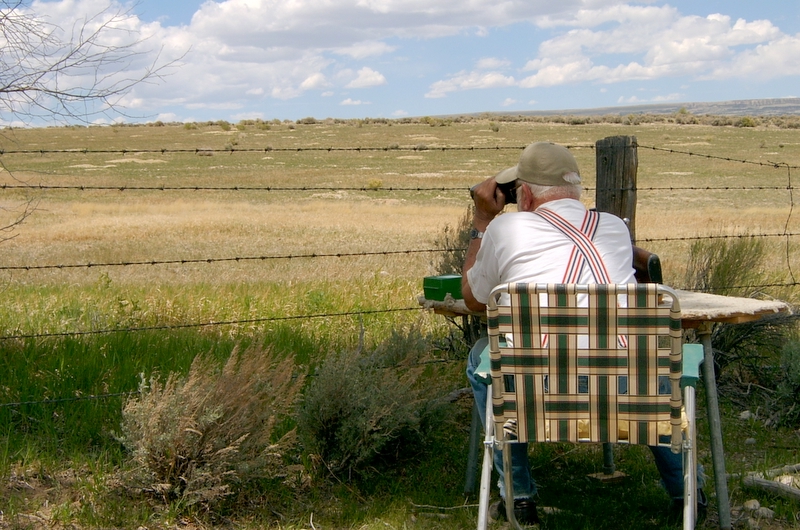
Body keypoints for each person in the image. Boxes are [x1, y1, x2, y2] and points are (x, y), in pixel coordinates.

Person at [461, 141, 703, 525]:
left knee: (484, 357)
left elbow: (473, 299)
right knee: (654, 369)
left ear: (525, 195)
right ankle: (687, 494)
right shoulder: (613, 227)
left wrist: (481, 221)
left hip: (538, 392)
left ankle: (518, 496)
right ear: (575, 190)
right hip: (626, 390)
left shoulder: (504, 228)